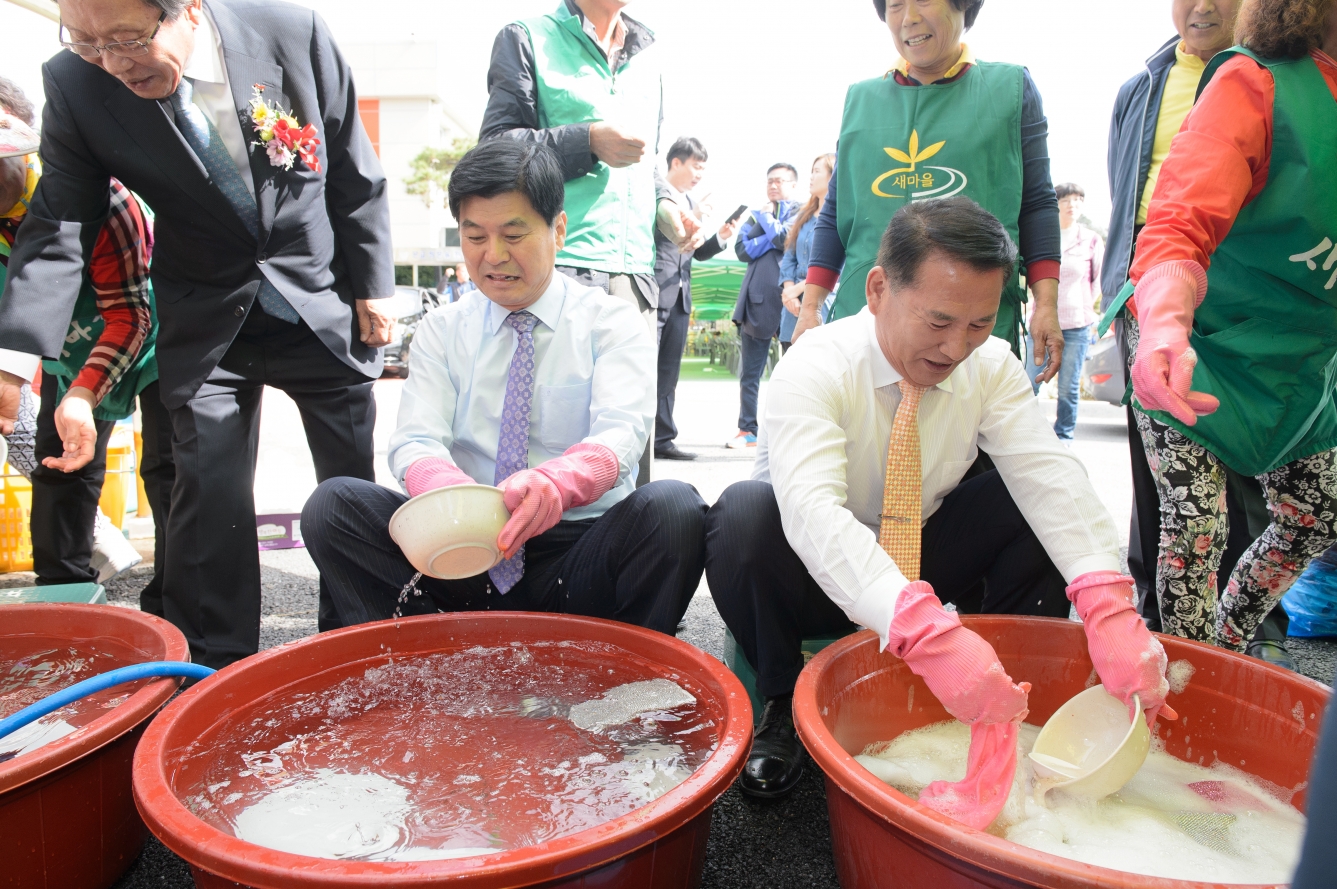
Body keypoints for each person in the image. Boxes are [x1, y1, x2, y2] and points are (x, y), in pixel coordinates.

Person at [707, 198, 1171, 799]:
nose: (956, 349)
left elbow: (1048, 475)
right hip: (810, 577)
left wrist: (1110, 607)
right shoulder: (816, 365)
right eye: (938, 321)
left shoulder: (991, 366)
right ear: (878, 289)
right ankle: (782, 699)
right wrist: (928, 634)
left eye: (979, 325)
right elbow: (812, 515)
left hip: (922, 559)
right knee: (743, 515)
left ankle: (1003, 693)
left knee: (1025, 500)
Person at [0, 0, 396, 670]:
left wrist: (374, 284)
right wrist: (12, 364)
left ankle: (359, 645)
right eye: (88, 40)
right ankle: (215, 666)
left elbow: (354, 167)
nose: (112, 61)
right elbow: (62, 220)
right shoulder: (73, 80)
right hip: (207, 309)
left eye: (128, 37)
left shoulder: (289, 32)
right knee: (206, 486)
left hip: (318, 298)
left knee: (348, 486)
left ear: (187, 8)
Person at [302, 140, 708, 634]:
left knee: (674, 510)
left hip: (575, 550)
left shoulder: (610, 322)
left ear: (558, 228)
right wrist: (450, 493)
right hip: (461, 551)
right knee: (334, 505)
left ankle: (611, 669)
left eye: (514, 234)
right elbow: (416, 439)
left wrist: (556, 482)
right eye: (474, 236)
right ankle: (422, 663)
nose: (493, 256)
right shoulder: (443, 328)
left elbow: (622, 434)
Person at [1101, 0, 1337, 652]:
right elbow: (1177, 220)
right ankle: (1188, 680)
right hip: (1193, 333)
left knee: (1318, 505)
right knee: (1193, 525)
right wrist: (1164, 326)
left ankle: (1227, 644)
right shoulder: (1256, 83)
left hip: (1293, 354)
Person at [481, 0, 702, 486]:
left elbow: (646, 165)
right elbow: (497, 147)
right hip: (558, 270)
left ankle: (630, 559)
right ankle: (534, 561)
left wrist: (667, 206)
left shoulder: (649, 54)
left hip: (636, 279)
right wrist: (587, 141)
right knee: (546, 445)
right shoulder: (526, 36)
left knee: (628, 446)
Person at [790, 0, 1064, 391]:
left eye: (922, 1)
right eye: (895, 5)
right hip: (864, 316)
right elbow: (836, 211)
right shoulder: (861, 100)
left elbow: (1036, 203)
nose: (908, 18)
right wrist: (811, 308)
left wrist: (1046, 305)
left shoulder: (1010, 89)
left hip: (966, 326)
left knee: (967, 442)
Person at [0, 81, 171, 605]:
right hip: (63, 351)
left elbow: (128, 315)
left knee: (168, 470)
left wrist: (83, 393)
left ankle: (176, 601)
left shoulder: (100, 197)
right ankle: (63, 594)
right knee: (60, 467)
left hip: (149, 341)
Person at [653, 136, 737, 462]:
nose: (700, 174)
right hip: (653, 291)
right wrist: (691, 214)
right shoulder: (656, 194)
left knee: (669, 373)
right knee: (642, 369)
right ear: (676, 162)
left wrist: (720, 237)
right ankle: (638, 440)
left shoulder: (689, 202)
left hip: (680, 297)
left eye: (703, 168)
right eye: (696, 166)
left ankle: (662, 438)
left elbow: (697, 252)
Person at [726, 163, 800, 450]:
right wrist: (773, 234)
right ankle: (747, 430)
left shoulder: (801, 212)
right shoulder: (755, 214)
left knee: (792, 371)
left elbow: (787, 240)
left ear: (793, 185)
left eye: (779, 181)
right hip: (756, 301)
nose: (773, 186)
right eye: (769, 181)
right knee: (750, 373)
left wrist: (769, 228)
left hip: (790, 300)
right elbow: (742, 250)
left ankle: (789, 429)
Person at [1024, 183, 1102, 443]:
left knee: (1068, 389)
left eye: (1078, 200)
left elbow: (1097, 281)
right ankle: (1026, 435)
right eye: (1066, 200)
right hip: (1041, 322)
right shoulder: (1044, 237)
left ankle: (1064, 438)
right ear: (1054, 204)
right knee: (1027, 383)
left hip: (1077, 325)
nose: (1072, 205)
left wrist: (1089, 314)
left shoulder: (1091, 239)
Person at [778, 153, 836, 351]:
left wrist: (798, 289)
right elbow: (789, 257)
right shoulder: (803, 216)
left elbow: (839, 266)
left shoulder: (842, 217)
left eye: (817, 171)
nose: (811, 177)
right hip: (792, 306)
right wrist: (789, 292)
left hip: (824, 300)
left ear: (833, 175)